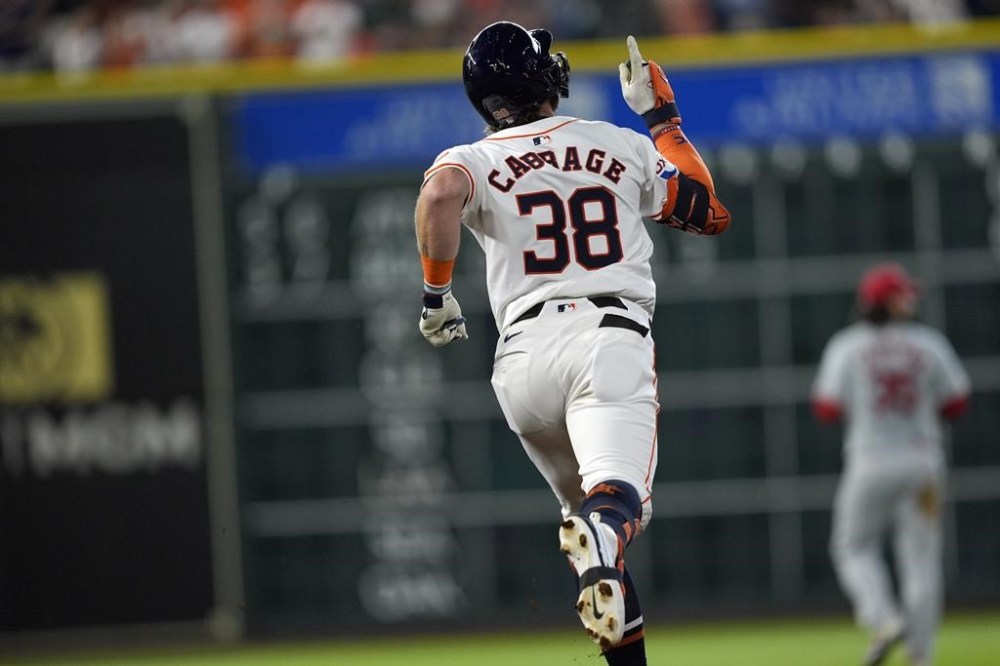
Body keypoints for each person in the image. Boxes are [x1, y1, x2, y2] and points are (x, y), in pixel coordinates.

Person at [414, 21, 730, 665]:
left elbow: (441, 193)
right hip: (605, 340)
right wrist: (662, 118)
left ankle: (605, 569)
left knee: (596, 533)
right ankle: (601, 534)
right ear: (540, 77)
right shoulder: (613, 141)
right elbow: (709, 211)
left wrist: (435, 294)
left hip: (521, 363)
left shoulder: (472, 158)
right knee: (618, 508)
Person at [812, 263, 971, 666]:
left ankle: (883, 618)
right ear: (885, 300)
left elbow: (827, 408)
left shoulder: (848, 345)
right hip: (923, 463)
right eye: (903, 293)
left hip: (871, 461)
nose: (911, 299)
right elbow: (957, 402)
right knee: (920, 561)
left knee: (852, 547)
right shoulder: (928, 342)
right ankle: (921, 656)